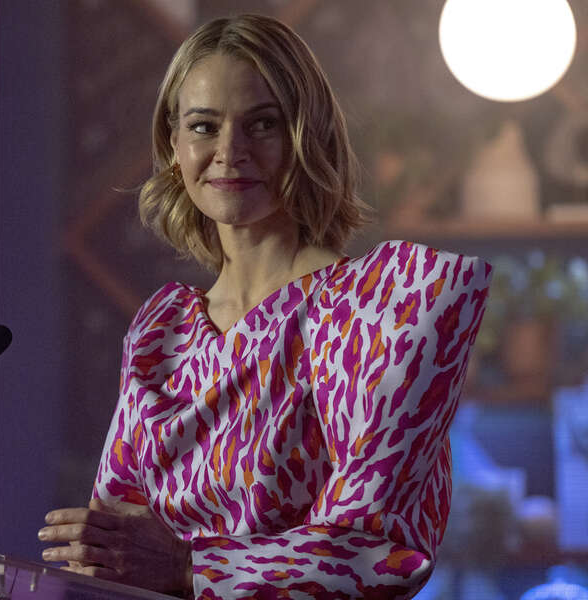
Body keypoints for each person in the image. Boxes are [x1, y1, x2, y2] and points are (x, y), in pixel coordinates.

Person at [38, 13, 491, 599]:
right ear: (174, 145)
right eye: (204, 126)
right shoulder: (162, 331)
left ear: (307, 137)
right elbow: (113, 545)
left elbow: (379, 552)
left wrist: (188, 567)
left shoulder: (372, 313)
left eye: (262, 124)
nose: (230, 151)